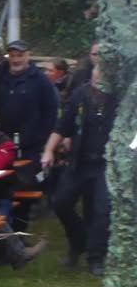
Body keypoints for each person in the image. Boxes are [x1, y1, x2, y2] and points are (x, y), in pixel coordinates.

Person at [46, 63, 118, 273]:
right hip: (79, 162)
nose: (98, 87)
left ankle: (96, 257)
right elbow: (62, 126)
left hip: (105, 164)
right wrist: (49, 150)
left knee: (102, 210)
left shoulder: (119, 99)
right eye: (95, 82)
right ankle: (78, 241)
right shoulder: (80, 95)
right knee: (60, 203)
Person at [0, 39, 59, 181]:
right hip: (0, 144)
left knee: (27, 183)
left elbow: (50, 113)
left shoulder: (41, 80)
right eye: (12, 56)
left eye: (20, 55)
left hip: (30, 146)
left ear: (28, 55)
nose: (16, 60)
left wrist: (40, 140)